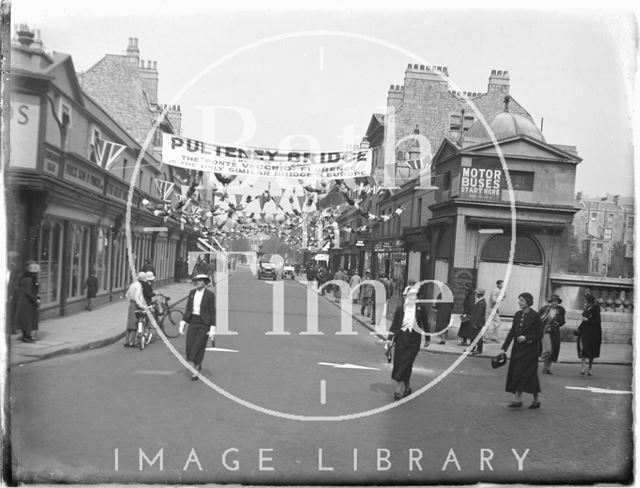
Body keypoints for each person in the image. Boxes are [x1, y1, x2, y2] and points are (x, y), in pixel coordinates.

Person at [500, 292, 543, 409]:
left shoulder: (535, 316)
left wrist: (526, 338)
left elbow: (540, 334)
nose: (519, 302)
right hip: (517, 350)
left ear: (528, 302)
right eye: (519, 300)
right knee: (517, 373)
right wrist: (504, 348)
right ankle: (518, 400)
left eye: (522, 300)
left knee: (530, 375)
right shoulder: (517, 314)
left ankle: (536, 400)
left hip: (530, 350)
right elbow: (512, 332)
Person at [385, 286, 428, 400]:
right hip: (401, 340)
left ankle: (399, 388)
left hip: (413, 342)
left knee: (406, 363)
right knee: (400, 363)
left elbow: (425, 323)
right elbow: (394, 325)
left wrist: (427, 338)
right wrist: (389, 339)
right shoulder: (400, 309)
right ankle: (407, 387)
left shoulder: (421, 308)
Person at [179, 274, 217, 381]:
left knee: (198, 346)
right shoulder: (192, 293)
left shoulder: (209, 295)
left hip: (204, 323)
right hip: (193, 321)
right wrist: (183, 322)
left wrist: (213, 327)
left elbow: (212, 311)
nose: (198, 282)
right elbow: (188, 308)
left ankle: (196, 368)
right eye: (196, 281)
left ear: (205, 283)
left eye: (201, 281)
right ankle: (197, 364)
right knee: (190, 345)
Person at [538, 294, 566, 374]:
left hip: (554, 333)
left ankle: (548, 368)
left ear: (558, 303)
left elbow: (563, 322)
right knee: (547, 350)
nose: (554, 303)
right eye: (553, 302)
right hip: (545, 332)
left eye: (556, 302)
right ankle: (545, 366)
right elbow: (539, 318)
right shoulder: (545, 309)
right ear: (551, 302)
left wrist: (558, 324)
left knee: (552, 350)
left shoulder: (560, 311)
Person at [15, 260, 40, 343]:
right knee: (28, 320)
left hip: (25, 301)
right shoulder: (29, 279)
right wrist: (36, 301)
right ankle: (26, 336)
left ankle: (26, 335)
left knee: (26, 320)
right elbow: (28, 292)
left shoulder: (26, 277)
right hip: (28, 302)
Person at [577, 293, 602, 376]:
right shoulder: (586, 308)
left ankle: (590, 368)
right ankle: (583, 367)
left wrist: (588, 320)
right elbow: (584, 320)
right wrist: (579, 329)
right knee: (584, 348)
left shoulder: (596, 308)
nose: (584, 300)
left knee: (592, 350)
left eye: (586, 299)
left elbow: (597, 320)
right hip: (585, 331)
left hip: (594, 332)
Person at [124, 272, 147, 347]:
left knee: (129, 324)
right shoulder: (139, 286)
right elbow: (137, 297)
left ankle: (126, 341)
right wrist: (142, 306)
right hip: (135, 305)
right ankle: (132, 342)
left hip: (131, 304)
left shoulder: (133, 284)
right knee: (134, 324)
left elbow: (127, 294)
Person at [470, 288, 487, 354]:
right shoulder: (480, 301)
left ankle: (479, 349)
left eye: (477, 293)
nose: (476, 294)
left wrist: (475, 323)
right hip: (476, 322)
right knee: (473, 336)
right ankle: (472, 348)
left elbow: (479, 314)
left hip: (478, 322)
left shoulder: (482, 302)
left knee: (478, 336)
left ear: (480, 294)